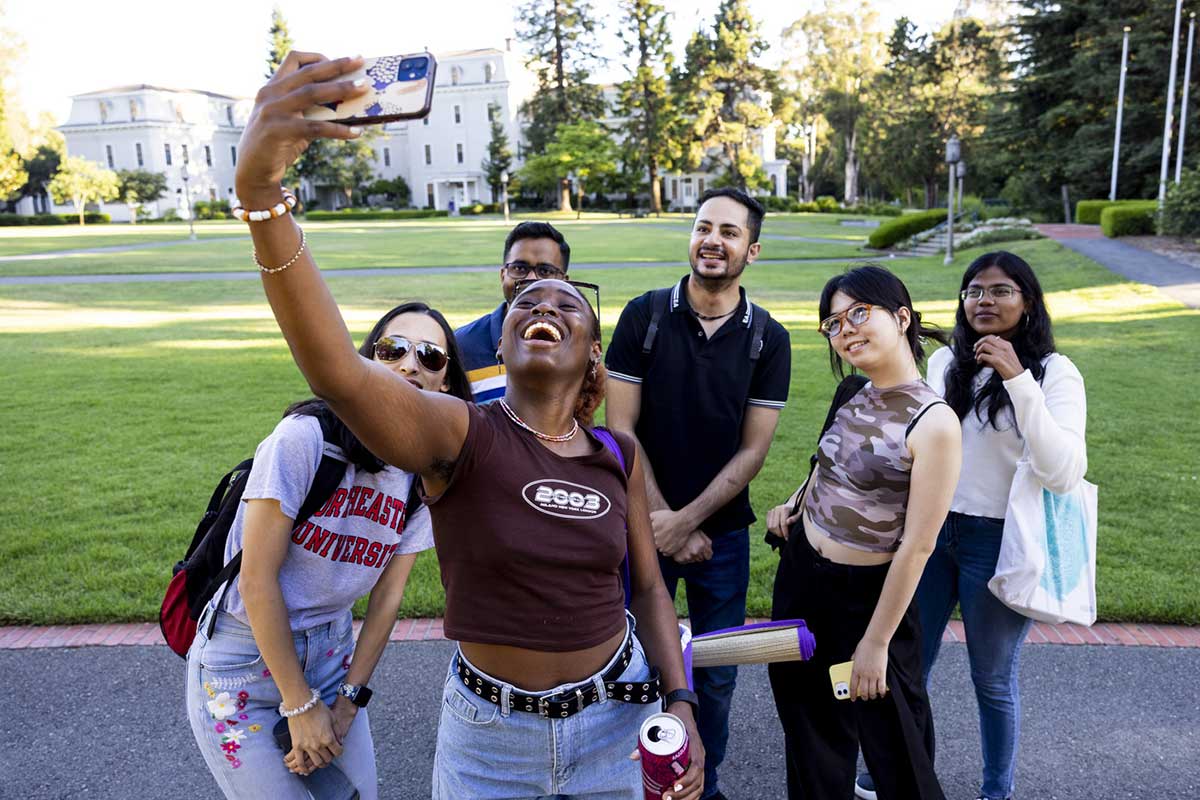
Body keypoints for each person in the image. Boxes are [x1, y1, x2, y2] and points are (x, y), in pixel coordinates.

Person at [232, 52, 705, 800]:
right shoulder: (462, 435)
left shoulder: (618, 454)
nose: (544, 305)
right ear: (502, 346)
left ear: (592, 362)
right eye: (526, 303)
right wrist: (262, 197)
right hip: (492, 743)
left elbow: (646, 588)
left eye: (567, 307)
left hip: (618, 720)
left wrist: (679, 698)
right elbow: (338, 374)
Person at [185, 301, 474, 799]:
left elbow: (387, 599)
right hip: (242, 663)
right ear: (364, 361)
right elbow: (256, 580)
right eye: (392, 349)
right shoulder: (303, 441)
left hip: (332, 657)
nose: (409, 364)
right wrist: (299, 707)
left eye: (430, 356)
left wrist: (347, 703)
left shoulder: (423, 475)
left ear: (445, 383)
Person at [606, 187, 791, 800]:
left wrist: (686, 521)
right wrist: (661, 519)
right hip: (640, 525)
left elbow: (753, 452)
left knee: (715, 677)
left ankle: (697, 784)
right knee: (632, 665)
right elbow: (620, 429)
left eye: (730, 232)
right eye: (702, 227)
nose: (713, 240)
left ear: (751, 250)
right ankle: (629, 778)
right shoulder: (645, 316)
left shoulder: (769, 337)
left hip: (723, 536)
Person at [765, 265, 961, 800]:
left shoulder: (934, 422)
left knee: (896, 748)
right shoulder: (852, 391)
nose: (845, 329)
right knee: (809, 732)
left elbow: (919, 545)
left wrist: (875, 643)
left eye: (858, 313)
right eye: (833, 322)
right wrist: (792, 505)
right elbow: (825, 465)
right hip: (803, 579)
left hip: (870, 602)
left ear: (901, 318)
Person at [900, 251, 1085, 800]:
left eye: (1002, 290)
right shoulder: (943, 365)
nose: (985, 300)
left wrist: (1018, 379)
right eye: (975, 290)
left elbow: (1062, 471)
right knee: (909, 665)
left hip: (999, 541)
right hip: (931, 535)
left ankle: (995, 790)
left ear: (1027, 303)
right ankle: (903, 768)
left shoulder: (1056, 373)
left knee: (992, 678)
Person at [455, 221, 571, 403]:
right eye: (520, 268)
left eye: (545, 271)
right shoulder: (462, 346)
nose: (531, 279)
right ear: (503, 275)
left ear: (564, 282)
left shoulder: (575, 344)